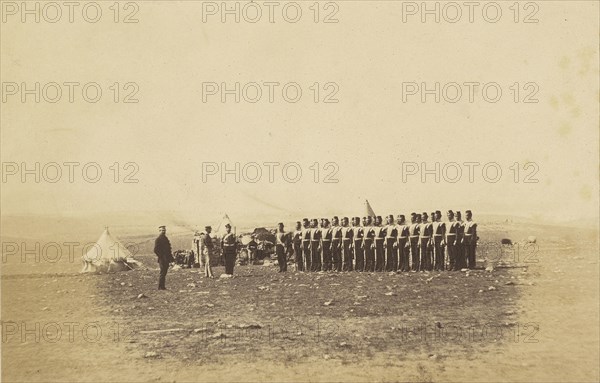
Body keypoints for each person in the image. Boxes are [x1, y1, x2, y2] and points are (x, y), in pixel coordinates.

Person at [154, 226, 172, 290]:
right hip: (162, 259)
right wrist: (161, 256)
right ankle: (160, 287)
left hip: (166, 258)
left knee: (164, 272)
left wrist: (170, 258)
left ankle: (162, 286)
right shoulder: (158, 239)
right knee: (162, 272)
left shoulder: (165, 238)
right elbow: (155, 250)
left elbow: (168, 250)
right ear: (159, 231)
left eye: (164, 230)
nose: (163, 231)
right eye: (161, 230)